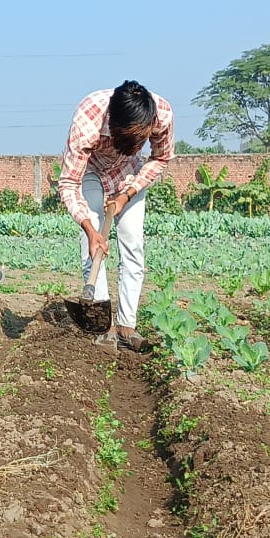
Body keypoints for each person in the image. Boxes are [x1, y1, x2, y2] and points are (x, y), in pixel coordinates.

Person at [58, 80, 175, 352]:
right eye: (129, 137)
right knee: (93, 245)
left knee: (132, 242)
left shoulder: (163, 115)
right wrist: (90, 228)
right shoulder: (88, 121)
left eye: (141, 139)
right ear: (112, 123)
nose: (137, 143)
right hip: (91, 171)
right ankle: (104, 326)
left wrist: (128, 193)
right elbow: (69, 183)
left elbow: (160, 158)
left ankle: (126, 326)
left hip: (130, 173)